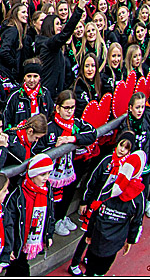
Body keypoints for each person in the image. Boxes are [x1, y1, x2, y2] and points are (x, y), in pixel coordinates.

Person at [68, 131, 135, 276]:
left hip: (109, 210)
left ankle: (88, 259)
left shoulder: (128, 168)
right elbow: (91, 182)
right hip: (95, 206)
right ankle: (74, 263)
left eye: (126, 148)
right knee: (87, 235)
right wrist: (85, 201)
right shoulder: (106, 161)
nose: (122, 150)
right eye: (121, 145)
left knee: (99, 238)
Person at [82, 150, 147, 277]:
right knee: (101, 270)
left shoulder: (110, 188)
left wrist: (89, 233)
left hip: (97, 237)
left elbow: (95, 212)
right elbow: (137, 221)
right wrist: (130, 240)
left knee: (90, 268)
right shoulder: (138, 197)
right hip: (114, 242)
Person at [47, 90, 97, 235]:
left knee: (68, 193)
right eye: (66, 108)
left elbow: (92, 133)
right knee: (53, 198)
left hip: (71, 169)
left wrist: (72, 139)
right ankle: (53, 223)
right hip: (51, 174)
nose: (70, 111)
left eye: (72, 108)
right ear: (58, 108)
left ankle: (61, 218)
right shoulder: (50, 126)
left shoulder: (76, 123)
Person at [4, 153, 55, 276]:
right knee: (19, 269)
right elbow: (8, 222)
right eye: (42, 174)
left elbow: (50, 215)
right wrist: (9, 246)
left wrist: (48, 234)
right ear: (32, 174)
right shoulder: (18, 194)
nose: (46, 178)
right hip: (18, 243)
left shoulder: (47, 190)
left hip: (31, 240)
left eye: (48, 174)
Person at [4, 59, 54, 128]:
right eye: (29, 76)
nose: (32, 80)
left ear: (40, 78)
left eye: (35, 76)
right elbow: (6, 119)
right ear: (24, 77)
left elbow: (51, 116)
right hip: (20, 135)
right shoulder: (15, 96)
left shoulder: (45, 94)